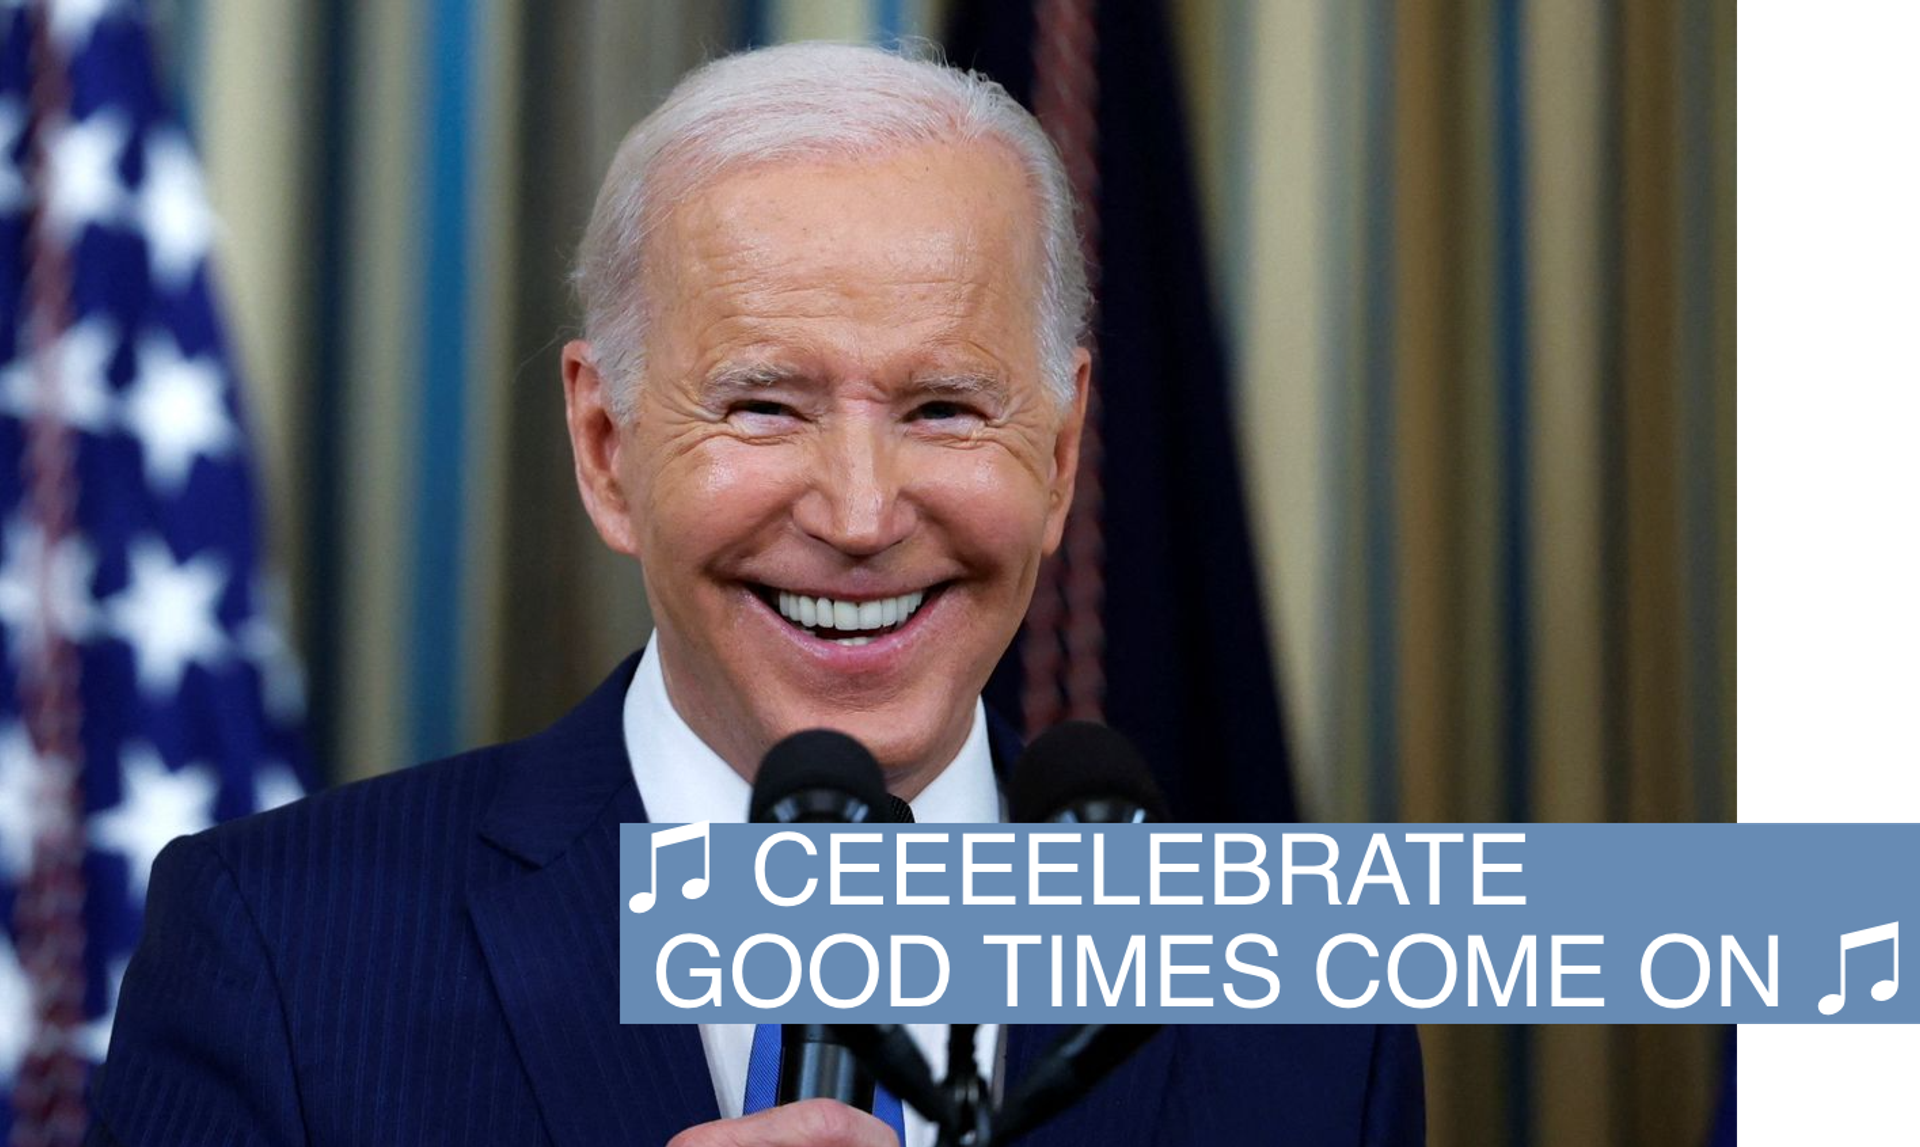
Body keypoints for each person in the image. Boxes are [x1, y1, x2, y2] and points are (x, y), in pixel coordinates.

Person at [87, 43, 1422, 1146]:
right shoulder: (274, 947)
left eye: (945, 407)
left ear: (1061, 456)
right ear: (609, 453)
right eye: (764, 406)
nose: (858, 513)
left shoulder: (1309, 1010)